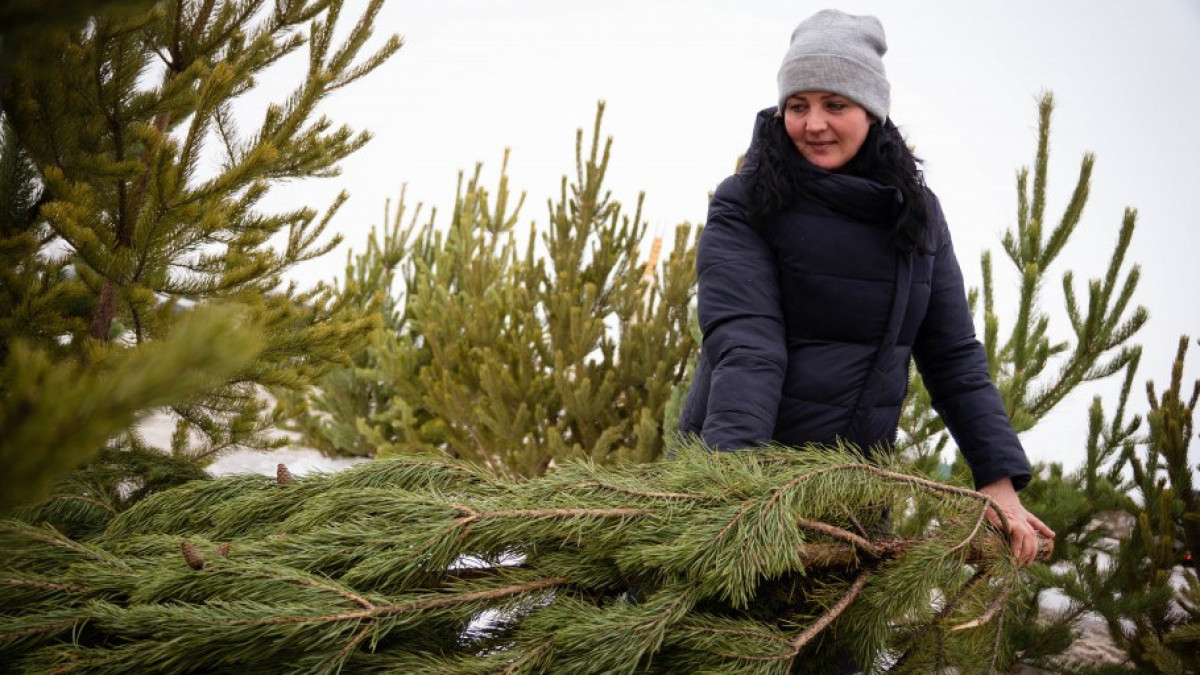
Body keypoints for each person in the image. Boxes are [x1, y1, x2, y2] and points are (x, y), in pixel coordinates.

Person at [677, 9, 1054, 566]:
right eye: (797, 106)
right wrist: (730, 492)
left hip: (854, 502)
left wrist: (998, 482)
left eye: (835, 105)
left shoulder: (916, 214)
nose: (814, 124)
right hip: (745, 478)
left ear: (872, 110)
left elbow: (953, 357)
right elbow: (747, 347)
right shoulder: (748, 202)